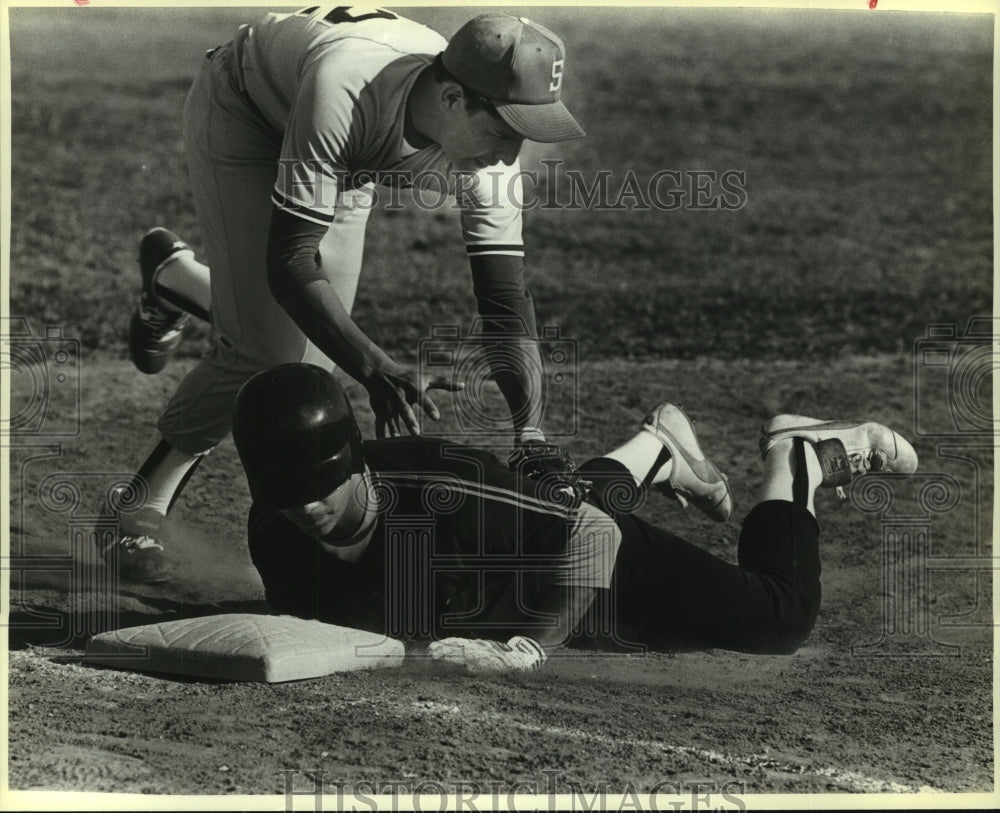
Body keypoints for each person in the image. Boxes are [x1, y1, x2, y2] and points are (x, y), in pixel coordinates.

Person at [106, 7, 586, 582]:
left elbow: (505, 299)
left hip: (346, 156)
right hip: (247, 111)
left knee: (310, 343)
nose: (511, 155)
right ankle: (137, 509)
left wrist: (529, 432)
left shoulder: (486, 156)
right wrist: (374, 367)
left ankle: (175, 277)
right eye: (505, 130)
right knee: (271, 354)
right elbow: (289, 264)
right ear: (455, 99)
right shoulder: (349, 83)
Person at [230, 363, 918, 674]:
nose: (308, 508)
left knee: (778, 618)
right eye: (289, 497)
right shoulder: (276, 528)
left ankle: (797, 459)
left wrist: (529, 649)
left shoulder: (448, 495)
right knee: (513, 542)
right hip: (506, 546)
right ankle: (654, 448)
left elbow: (592, 533)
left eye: (322, 487)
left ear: (354, 463)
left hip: (578, 557)